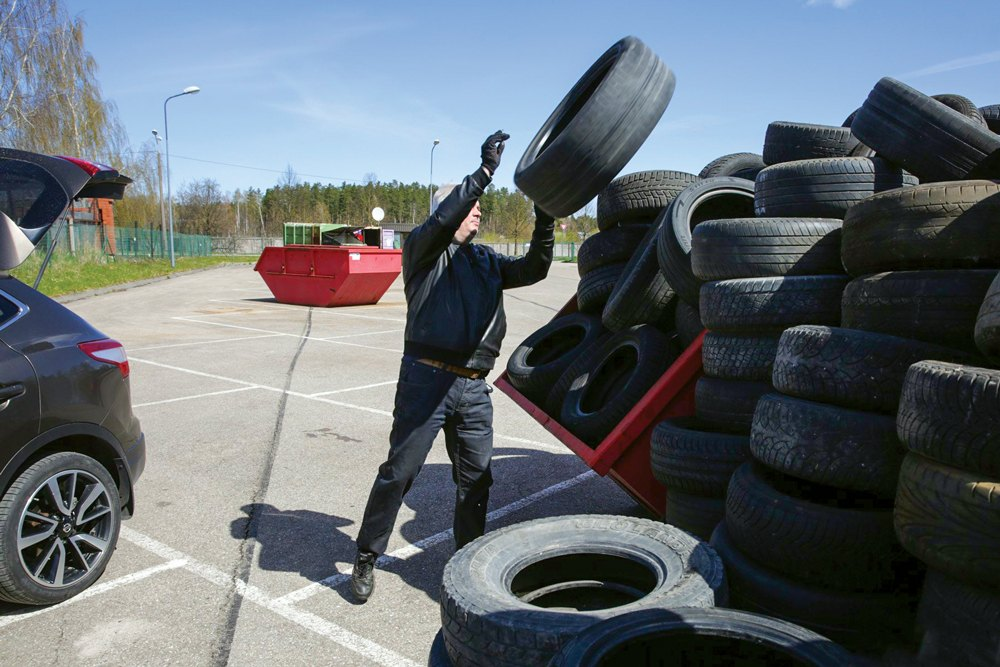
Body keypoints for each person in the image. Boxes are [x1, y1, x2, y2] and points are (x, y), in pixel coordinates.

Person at [350, 130, 555, 602]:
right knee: (399, 473)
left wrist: (545, 216)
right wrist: (483, 173)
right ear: (448, 213)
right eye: (472, 204)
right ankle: (366, 555)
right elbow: (445, 215)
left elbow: (536, 268)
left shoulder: (486, 261)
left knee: (477, 480)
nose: (478, 209)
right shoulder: (423, 251)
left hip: (473, 388)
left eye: (481, 204)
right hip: (427, 379)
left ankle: (465, 566)